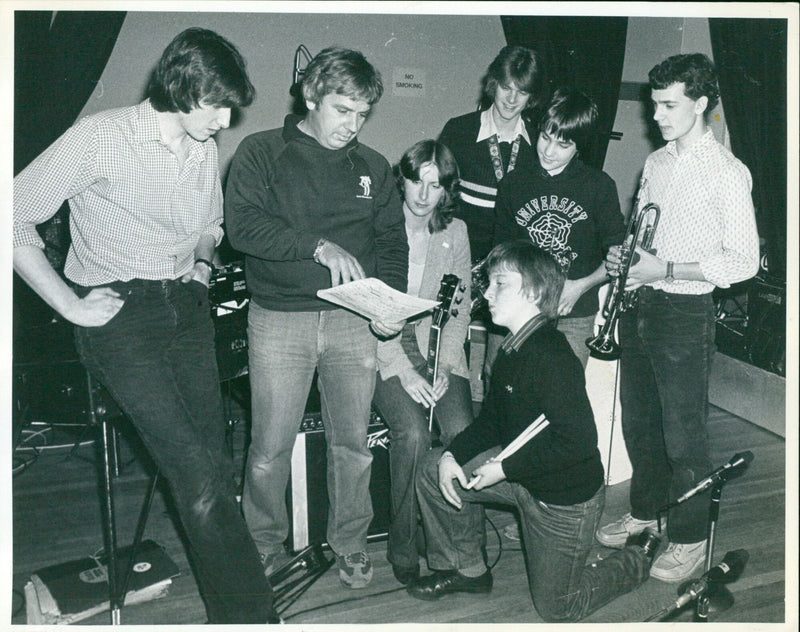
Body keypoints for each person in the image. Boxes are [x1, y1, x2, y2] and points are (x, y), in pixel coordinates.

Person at [13, 28, 279, 624]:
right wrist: (70, 304)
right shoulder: (102, 138)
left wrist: (205, 266)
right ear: (180, 90)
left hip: (184, 309)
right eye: (216, 104)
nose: (226, 118)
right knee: (200, 477)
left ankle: (232, 611)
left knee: (213, 468)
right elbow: (11, 213)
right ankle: (256, 620)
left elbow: (211, 222)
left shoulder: (202, 146)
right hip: (119, 316)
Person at [224, 46, 408, 590]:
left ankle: (349, 541)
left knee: (352, 444)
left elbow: (391, 244)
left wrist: (389, 305)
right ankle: (262, 545)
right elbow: (242, 228)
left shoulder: (374, 167)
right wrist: (317, 247)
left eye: (361, 115)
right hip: (280, 319)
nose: (351, 126)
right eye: (341, 110)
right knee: (269, 448)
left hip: (355, 322)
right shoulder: (261, 151)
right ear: (310, 96)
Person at [407, 240, 661, 622]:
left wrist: (504, 469)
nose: (486, 294)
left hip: (563, 502)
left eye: (500, 284)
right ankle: (466, 570)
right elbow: (492, 420)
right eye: (489, 284)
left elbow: (577, 443)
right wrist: (450, 455)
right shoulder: (511, 349)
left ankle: (636, 557)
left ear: (535, 292)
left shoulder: (553, 357)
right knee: (432, 469)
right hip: (524, 478)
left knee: (559, 607)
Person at [595, 53, 760, 583]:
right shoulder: (657, 163)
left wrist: (664, 266)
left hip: (685, 310)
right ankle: (645, 514)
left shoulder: (728, 173)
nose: (657, 116)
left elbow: (742, 261)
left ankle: (689, 539)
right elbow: (643, 232)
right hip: (640, 303)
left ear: (701, 103)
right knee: (640, 424)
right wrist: (627, 254)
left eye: (669, 105)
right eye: (655, 103)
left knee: (683, 435)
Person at [372, 139, 473, 586]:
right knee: (412, 433)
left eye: (435, 185)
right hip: (384, 348)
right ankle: (402, 543)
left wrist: (447, 364)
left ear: (447, 191)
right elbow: (366, 306)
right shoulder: (376, 226)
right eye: (416, 180)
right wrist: (402, 369)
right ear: (403, 179)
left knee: (461, 434)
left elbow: (461, 308)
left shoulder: (457, 234)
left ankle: (457, 553)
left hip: (439, 348)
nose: (422, 193)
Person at [494, 86, 627, 368]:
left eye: (563, 145)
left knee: (561, 395)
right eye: (545, 138)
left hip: (574, 314)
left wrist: (580, 286)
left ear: (580, 146)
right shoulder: (513, 184)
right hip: (516, 309)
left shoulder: (599, 187)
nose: (550, 152)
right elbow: (501, 254)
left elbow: (618, 258)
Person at [438, 45, 549, 265]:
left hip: (511, 261)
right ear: (494, 84)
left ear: (531, 97)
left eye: (522, 92)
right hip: (457, 253)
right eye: (506, 88)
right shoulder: (458, 130)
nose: (512, 99)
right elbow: (439, 196)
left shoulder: (539, 143)